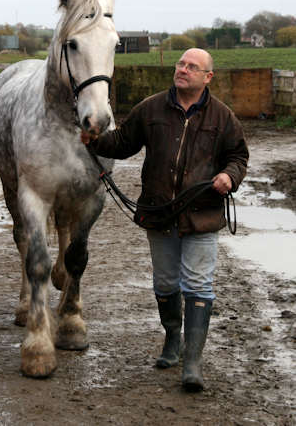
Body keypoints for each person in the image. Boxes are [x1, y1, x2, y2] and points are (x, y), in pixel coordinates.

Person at [82, 48, 249, 392]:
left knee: (199, 284)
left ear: (208, 77)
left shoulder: (223, 117)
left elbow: (237, 156)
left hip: (202, 215)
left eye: (192, 67)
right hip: (159, 214)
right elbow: (123, 143)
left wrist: (230, 177)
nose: (183, 70)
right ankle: (173, 338)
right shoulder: (151, 108)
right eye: (180, 64)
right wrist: (96, 138)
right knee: (166, 283)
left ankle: (192, 361)